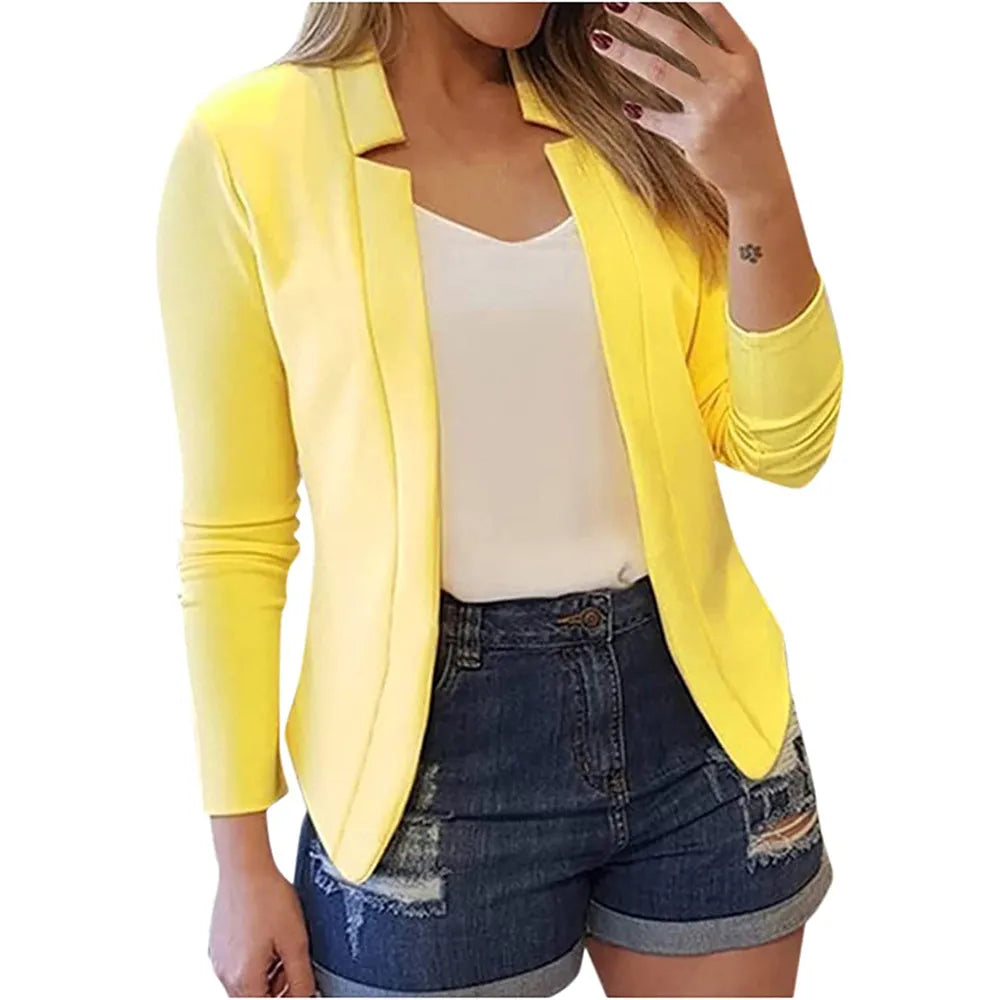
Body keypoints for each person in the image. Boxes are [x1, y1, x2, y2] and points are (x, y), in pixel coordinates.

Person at [155, 2, 843, 996]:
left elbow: (785, 442)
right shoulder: (247, 148)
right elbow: (235, 537)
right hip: (422, 765)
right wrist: (239, 860)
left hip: (697, 721)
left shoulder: (630, 117)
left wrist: (757, 182)